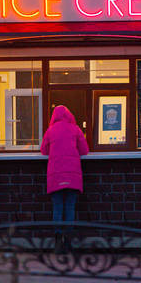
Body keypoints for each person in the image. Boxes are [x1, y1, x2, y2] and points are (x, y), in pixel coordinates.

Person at [40, 105, 89, 252]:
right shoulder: (75, 129)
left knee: (57, 208)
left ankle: (57, 241)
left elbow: (43, 150)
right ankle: (68, 241)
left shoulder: (51, 130)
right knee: (69, 208)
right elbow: (85, 150)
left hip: (56, 176)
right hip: (72, 176)